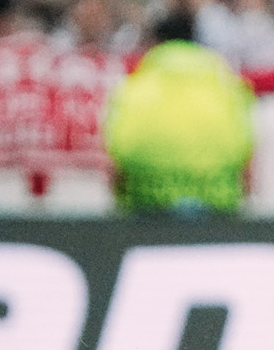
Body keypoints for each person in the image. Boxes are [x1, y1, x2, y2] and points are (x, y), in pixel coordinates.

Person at [102, 32, 256, 216]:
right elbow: (247, 165)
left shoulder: (130, 88)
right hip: (219, 210)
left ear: (154, 45)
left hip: (145, 209)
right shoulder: (230, 88)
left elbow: (115, 164)